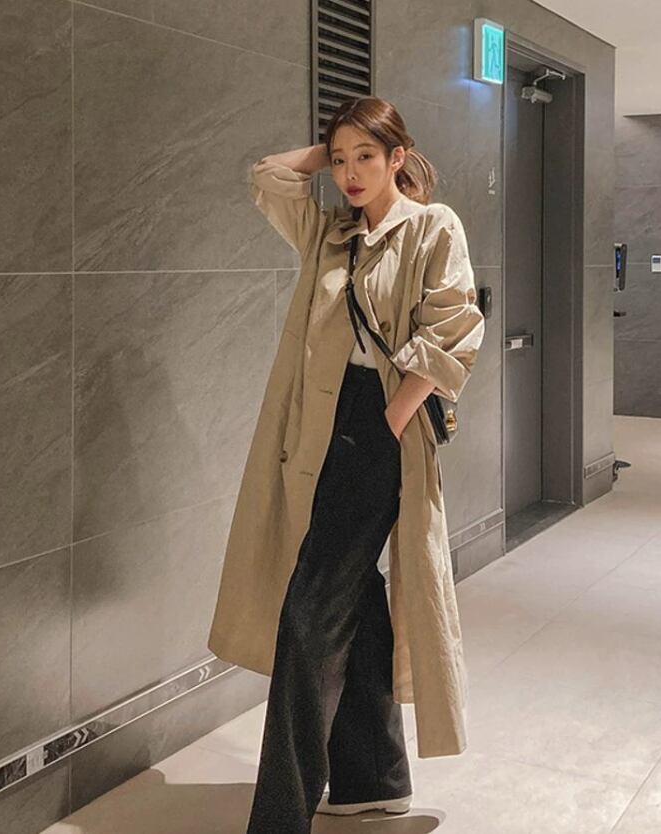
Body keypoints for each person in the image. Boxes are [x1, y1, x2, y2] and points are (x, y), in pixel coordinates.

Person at [206, 95, 485, 834]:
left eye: (367, 156)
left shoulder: (431, 225)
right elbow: (268, 178)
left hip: (380, 427)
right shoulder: (331, 232)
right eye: (339, 160)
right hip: (319, 427)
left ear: (399, 157)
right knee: (350, 595)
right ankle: (372, 779)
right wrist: (325, 147)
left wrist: (388, 424)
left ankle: (279, 816)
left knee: (308, 613)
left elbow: (453, 331)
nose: (351, 173)